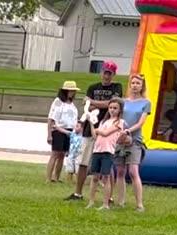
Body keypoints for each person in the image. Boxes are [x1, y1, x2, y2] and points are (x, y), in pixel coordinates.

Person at [67, 62, 123, 202]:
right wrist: (94, 103)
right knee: (84, 161)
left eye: (109, 73)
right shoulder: (93, 87)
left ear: (113, 74)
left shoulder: (117, 87)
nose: (106, 75)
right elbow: (88, 106)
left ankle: (108, 196)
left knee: (107, 162)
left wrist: (93, 102)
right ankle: (78, 193)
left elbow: (112, 104)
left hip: (107, 129)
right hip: (90, 127)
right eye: (105, 72)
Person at [115, 73, 152, 212]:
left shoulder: (146, 103)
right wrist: (121, 132)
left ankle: (139, 204)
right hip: (121, 139)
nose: (135, 86)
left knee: (133, 171)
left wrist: (128, 131)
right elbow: (118, 119)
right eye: (133, 83)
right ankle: (120, 201)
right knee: (120, 171)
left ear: (142, 86)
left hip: (134, 140)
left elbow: (141, 122)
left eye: (138, 83)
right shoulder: (124, 102)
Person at [86, 99, 125, 211]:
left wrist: (98, 130)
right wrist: (91, 124)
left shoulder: (119, 122)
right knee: (95, 177)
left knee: (106, 177)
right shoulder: (104, 122)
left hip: (108, 151)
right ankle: (91, 201)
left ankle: (105, 203)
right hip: (97, 150)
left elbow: (106, 133)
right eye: (110, 108)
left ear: (119, 110)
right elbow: (95, 136)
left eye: (115, 108)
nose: (112, 110)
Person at [47, 81, 79, 183]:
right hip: (58, 129)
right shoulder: (58, 102)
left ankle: (56, 177)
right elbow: (51, 118)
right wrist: (49, 134)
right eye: (71, 91)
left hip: (69, 131)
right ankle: (48, 177)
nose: (72, 93)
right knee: (55, 153)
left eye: (73, 91)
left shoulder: (72, 105)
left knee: (62, 154)